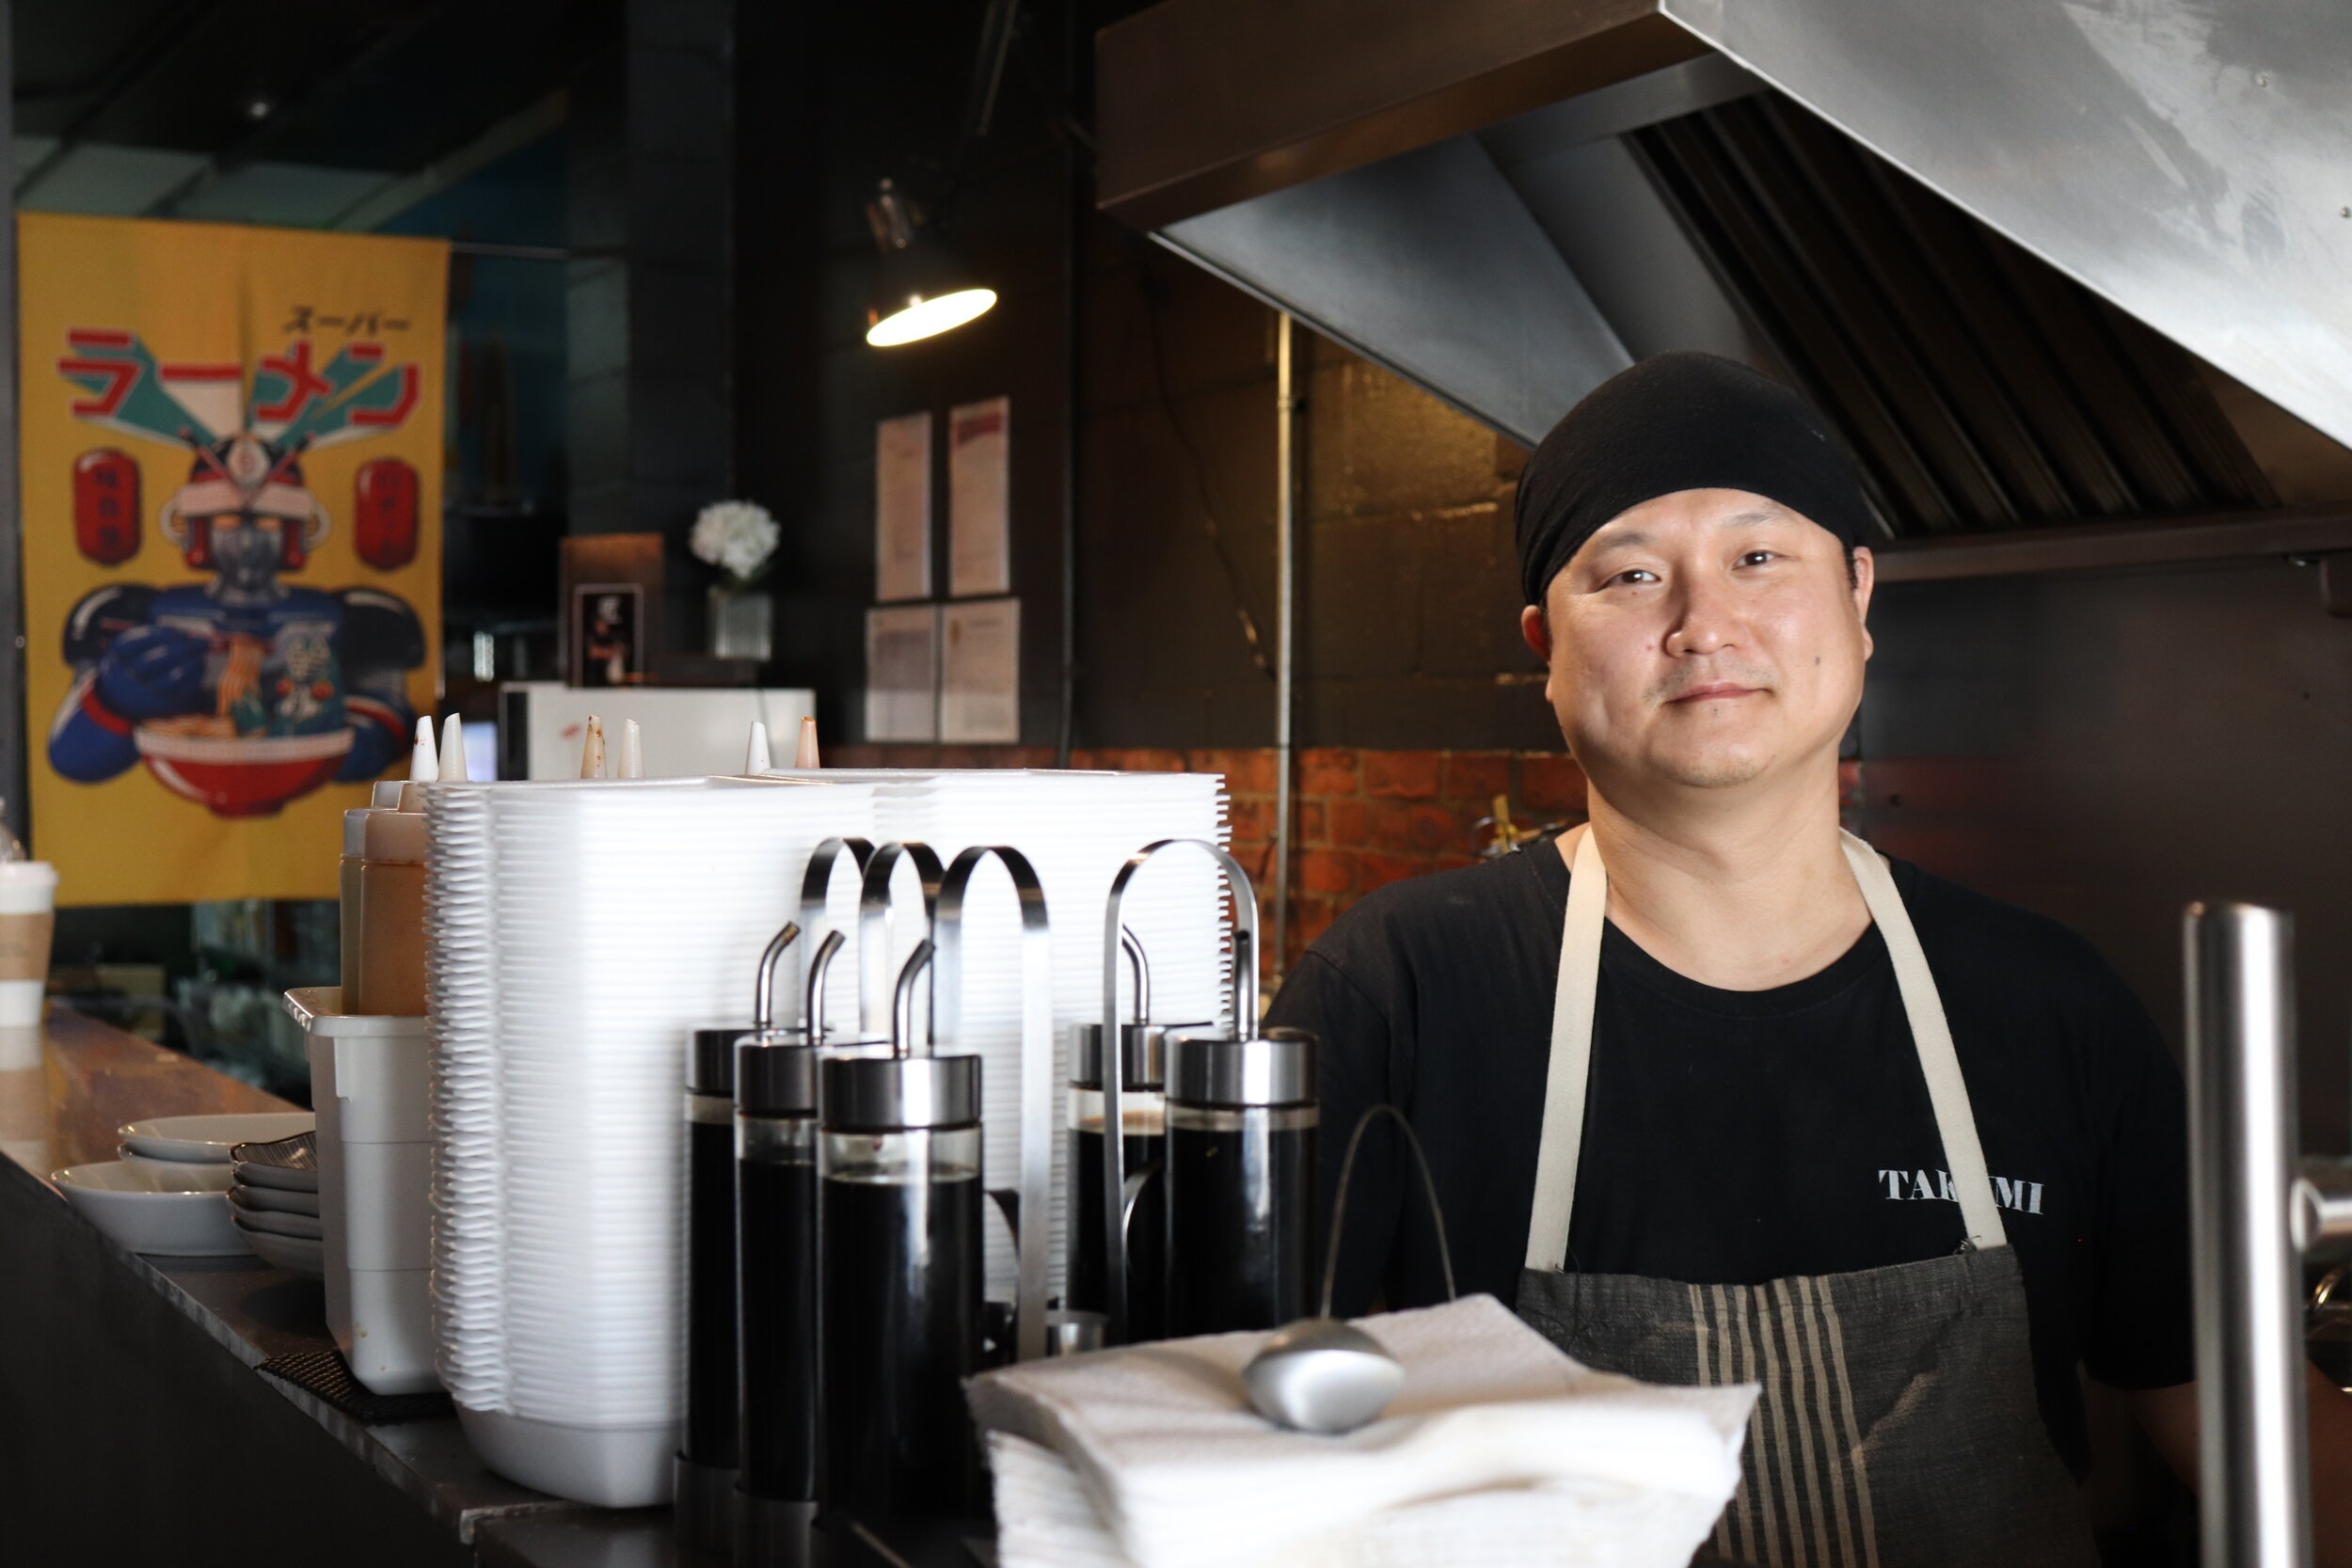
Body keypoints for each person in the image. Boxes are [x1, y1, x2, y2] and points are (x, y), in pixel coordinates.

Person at [1267, 353, 2352, 1566]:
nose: (1703, 626)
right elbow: (1228, 1446)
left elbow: (2253, 1425)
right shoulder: (1400, 992)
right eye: (1630, 575)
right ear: (1545, 646)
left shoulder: (2049, 1005)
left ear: (1858, 594)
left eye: (1759, 557)